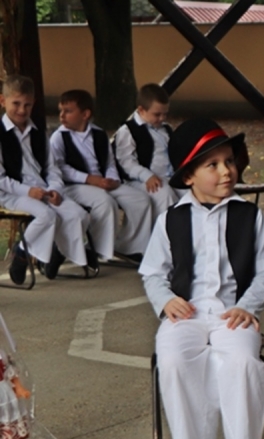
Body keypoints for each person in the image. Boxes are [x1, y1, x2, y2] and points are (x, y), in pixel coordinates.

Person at [139, 118, 264, 439]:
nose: (227, 171)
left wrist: (248, 306)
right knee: (171, 361)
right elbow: (153, 273)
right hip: (185, 315)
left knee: (240, 361)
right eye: (213, 165)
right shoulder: (171, 220)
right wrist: (164, 300)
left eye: (229, 161)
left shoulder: (249, 216)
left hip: (231, 314)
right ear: (188, 177)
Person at [1, 75, 95, 284]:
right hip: (12, 193)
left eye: (27, 105)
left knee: (79, 215)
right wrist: (28, 191)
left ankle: (56, 252)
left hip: (42, 189)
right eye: (16, 104)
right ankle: (21, 253)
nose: (22, 110)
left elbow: (52, 168)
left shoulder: (37, 132)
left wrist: (55, 189)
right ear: (3, 101)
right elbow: (1, 179)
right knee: (46, 216)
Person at [51, 89, 153, 264]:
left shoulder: (98, 134)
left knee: (140, 200)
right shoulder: (59, 137)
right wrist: (89, 179)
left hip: (102, 182)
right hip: (75, 185)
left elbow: (109, 162)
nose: (62, 116)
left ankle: (130, 247)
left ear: (85, 114)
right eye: (61, 110)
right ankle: (95, 250)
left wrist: (111, 179)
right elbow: (59, 168)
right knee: (104, 202)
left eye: (68, 111)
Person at [114, 83, 180, 224]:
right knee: (165, 195)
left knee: (190, 194)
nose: (162, 118)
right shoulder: (128, 130)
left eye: (165, 114)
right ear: (141, 110)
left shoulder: (166, 129)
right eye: (157, 114)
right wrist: (146, 175)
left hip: (169, 177)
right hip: (139, 180)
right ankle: (164, 238)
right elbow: (126, 162)